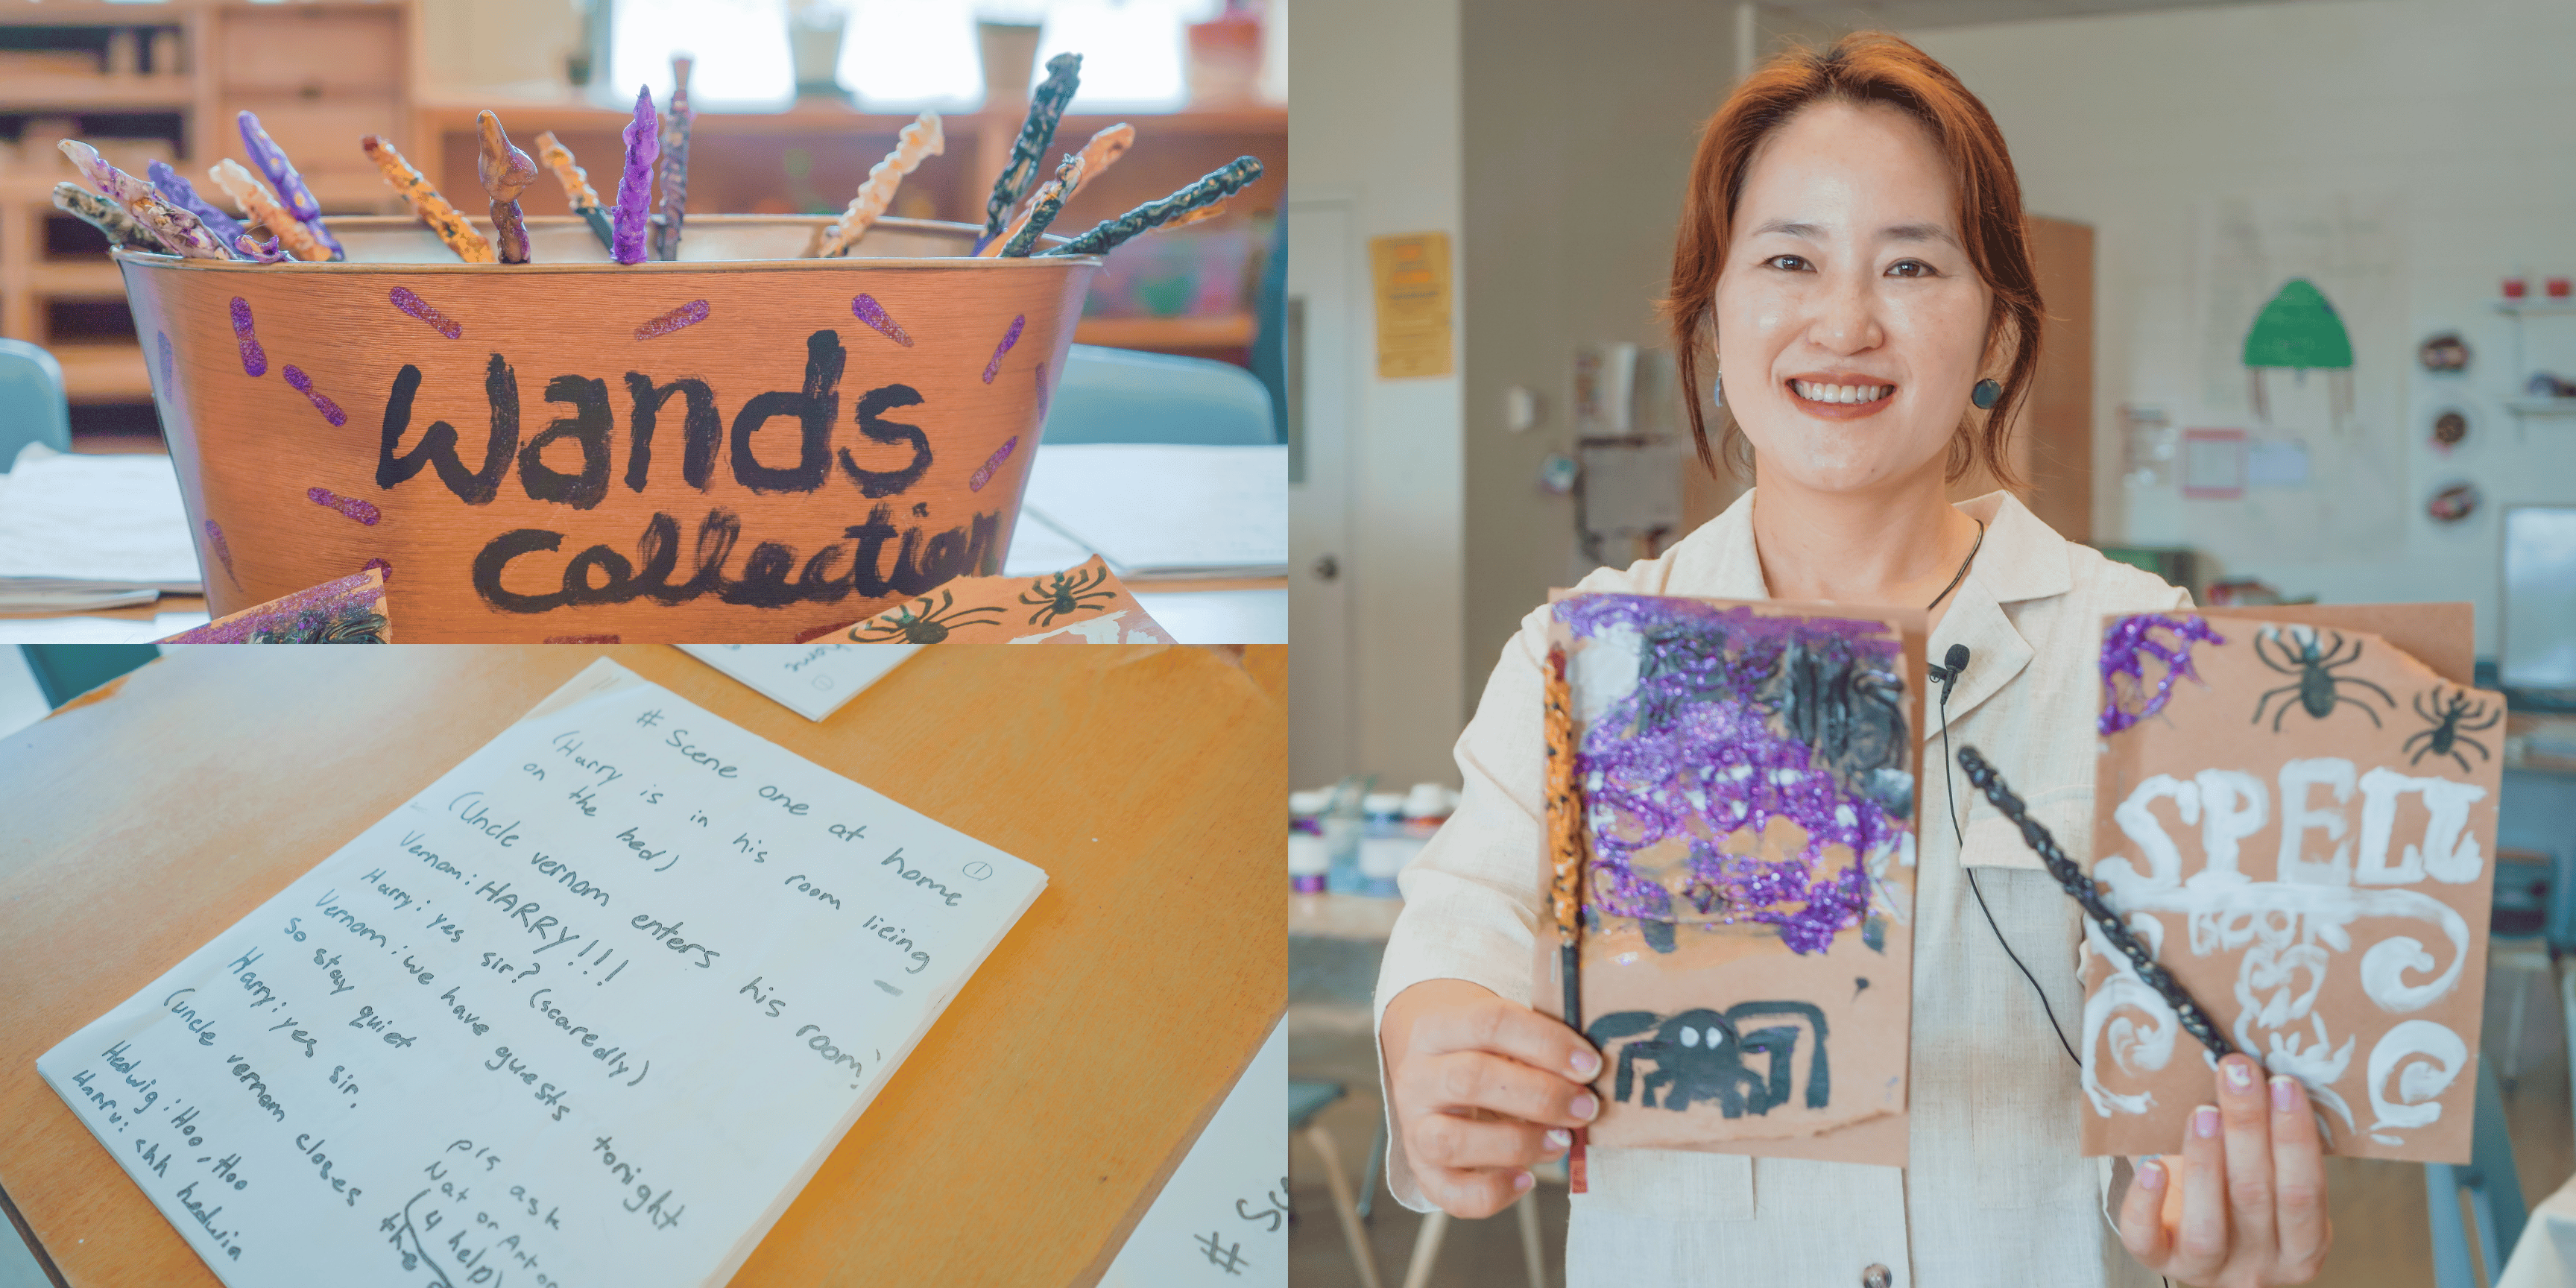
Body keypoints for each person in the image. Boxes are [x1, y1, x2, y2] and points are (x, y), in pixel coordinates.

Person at [1374, 32, 2330, 1288]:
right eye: (1788, 260)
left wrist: (2197, 1198)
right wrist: (1434, 1046)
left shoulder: (2139, 653)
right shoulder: (1583, 654)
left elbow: (2194, 1048)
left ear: (1995, 334)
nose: (1844, 322)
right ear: (1713, 314)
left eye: (1912, 266)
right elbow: (1467, 922)